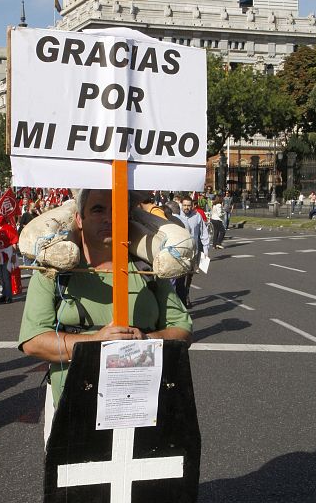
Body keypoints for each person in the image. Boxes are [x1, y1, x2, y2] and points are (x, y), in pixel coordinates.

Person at [19, 189, 192, 442]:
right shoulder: (53, 271)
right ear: (79, 218)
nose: (109, 218)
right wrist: (95, 344)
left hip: (142, 408)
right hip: (75, 410)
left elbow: (183, 330)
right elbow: (33, 341)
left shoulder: (147, 268)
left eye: (117, 210)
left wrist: (146, 341)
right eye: (98, 209)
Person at [177, 195, 209, 307]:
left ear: (192, 206)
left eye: (189, 205)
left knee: (189, 275)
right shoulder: (176, 215)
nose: (186, 207)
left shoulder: (197, 216)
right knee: (180, 275)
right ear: (181, 205)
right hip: (180, 251)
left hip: (192, 251)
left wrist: (205, 250)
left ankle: (186, 294)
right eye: (184, 205)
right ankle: (180, 297)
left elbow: (203, 233)